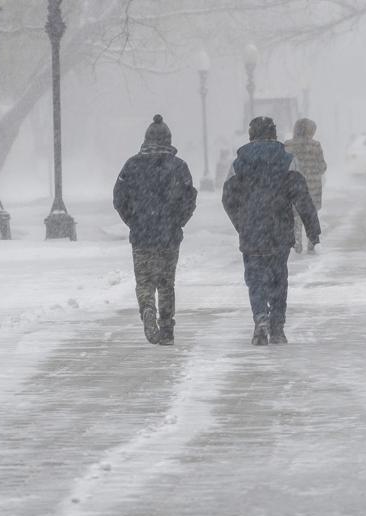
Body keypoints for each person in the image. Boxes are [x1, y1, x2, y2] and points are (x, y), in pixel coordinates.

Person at [222, 116, 321, 345]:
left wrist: (241, 222)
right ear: (274, 134)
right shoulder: (287, 160)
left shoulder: (239, 162)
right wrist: (312, 229)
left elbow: (227, 197)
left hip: (252, 231)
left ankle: (260, 317)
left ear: (251, 134)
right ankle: (277, 326)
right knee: (278, 278)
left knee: (255, 278)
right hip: (279, 229)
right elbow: (301, 196)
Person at [113, 114, 198, 345]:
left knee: (144, 281)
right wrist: (178, 221)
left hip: (141, 234)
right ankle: (167, 327)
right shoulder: (179, 167)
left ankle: (147, 309)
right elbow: (190, 198)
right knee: (166, 282)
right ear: (169, 140)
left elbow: (119, 198)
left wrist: (134, 220)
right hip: (169, 235)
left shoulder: (131, 165)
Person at [284, 117, 327, 253]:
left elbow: (283, 166)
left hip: (293, 187)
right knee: (310, 216)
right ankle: (312, 244)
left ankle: (296, 245)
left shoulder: (287, 145)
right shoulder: (315, 145)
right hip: (311, 188)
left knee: (295, 217)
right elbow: (322, 167)